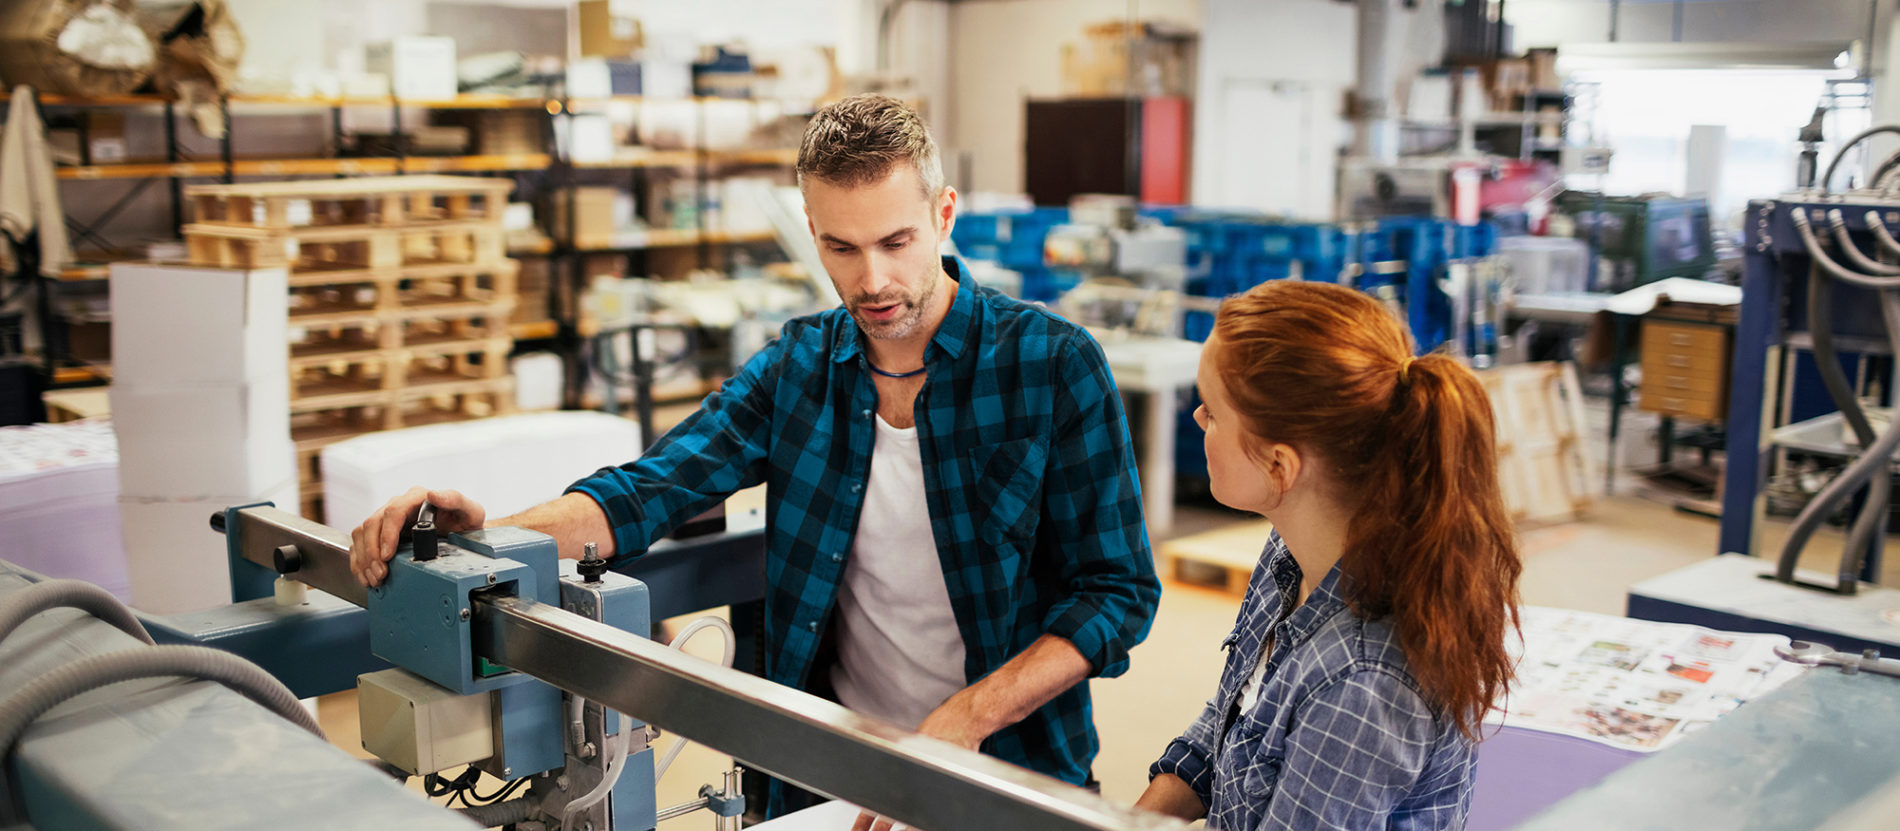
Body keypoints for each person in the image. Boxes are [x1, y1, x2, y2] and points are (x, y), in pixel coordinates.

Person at [347, 94, 1160, 823]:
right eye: (841, 247)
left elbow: (1118, 593)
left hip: (1006, 769)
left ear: (945, 215)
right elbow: (645, 493)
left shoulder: (1052, 366)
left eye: (896, 241)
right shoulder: (799, 370)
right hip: (831, 775)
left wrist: (967, 718)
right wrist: (485, 537)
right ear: (811, 231)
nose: (872, 280)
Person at [1135, 281, 1520, 830]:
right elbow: (1231, 721)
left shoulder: (1359, 685)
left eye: (1214, 412)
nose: (1198, 418)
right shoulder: (1291, 554)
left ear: (1280, 466)